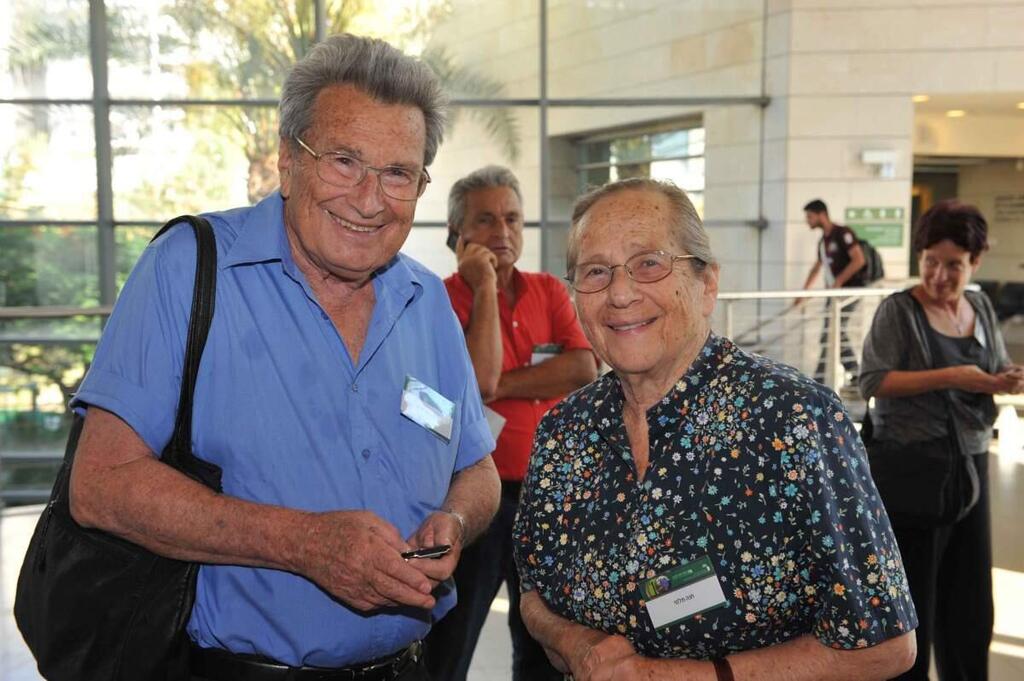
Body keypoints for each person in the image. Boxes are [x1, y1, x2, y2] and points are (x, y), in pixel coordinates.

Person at [67, 34, 501, 681]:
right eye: (345, 160)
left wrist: (457, 520)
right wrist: (304, 544)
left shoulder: (429, 303)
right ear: (288, 160)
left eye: (397, 173)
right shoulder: (189, 267)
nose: (369, 198)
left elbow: (480, 469)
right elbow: (98, 486)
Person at [513, 178, 918, 681]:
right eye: (595, 272)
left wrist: (686, 676)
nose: (619, 293)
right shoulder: (564, 431)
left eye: (649, 263)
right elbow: (532, 587)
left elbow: (884, 643)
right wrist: (578, 645)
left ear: (707, 285)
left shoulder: (793, 419)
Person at [423, 166, 597, 681]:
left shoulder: (547, 289)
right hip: (476, 497)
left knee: (544, 648)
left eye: (512, 218)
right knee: (452, 645)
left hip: (549, 496)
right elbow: (480, 380)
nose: (502, 231)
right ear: (458, 235)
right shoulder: (437, 299)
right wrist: (483, 289)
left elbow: (584, 367)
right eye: (485, 219)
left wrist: (502, 385)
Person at [860, 200, 1024, 681]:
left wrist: (1002, 379)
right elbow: (873, 381)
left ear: (976, 262)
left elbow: (988, 369)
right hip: (915, 470)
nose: (939, 275)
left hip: (971, 463)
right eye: (931, 261)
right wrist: (954, 375)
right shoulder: (899, 311)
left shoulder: (981, 305)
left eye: (954, 265)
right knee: (915, 602)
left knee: (969, 601)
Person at [800, 198, 867, 385]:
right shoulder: (824, 241)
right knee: (829, 333)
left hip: (848, 292)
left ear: (822, 215)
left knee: (834, 331)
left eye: (810, 216)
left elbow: (858, 260)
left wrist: (839, 281)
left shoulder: (842, 233)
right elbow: (816, 268)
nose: (808, 221)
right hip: (834, 294)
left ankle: (852, 373)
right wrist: (804, 293)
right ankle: (825, 375)